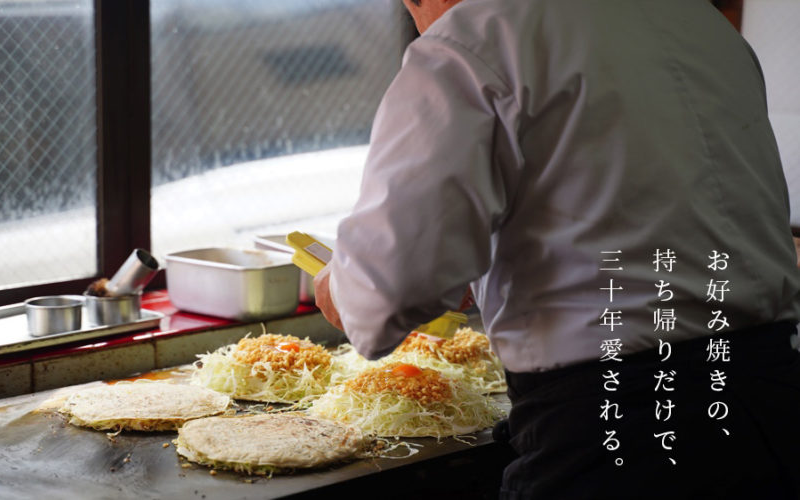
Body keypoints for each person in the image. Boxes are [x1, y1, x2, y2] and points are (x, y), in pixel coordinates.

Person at [314, 0, 800, 498]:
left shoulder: (473, 39)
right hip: (772, 403)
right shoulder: (700, 23)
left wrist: (336, 284)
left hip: (618, 428)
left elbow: (386, 290)